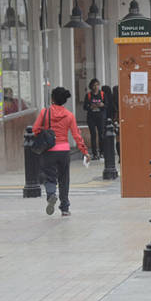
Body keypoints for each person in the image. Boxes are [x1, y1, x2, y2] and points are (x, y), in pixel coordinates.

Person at [33, 87, 90, 217]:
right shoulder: (69, 115)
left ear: (52, 99)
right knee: (64, 179)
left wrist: (44, 131)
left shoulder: (44, 113)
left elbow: (35, 129)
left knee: (50, 177)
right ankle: (65, 208)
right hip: (64, 151)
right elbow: (77, 136)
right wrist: (85, 151)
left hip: (49, 150)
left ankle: (51, 194)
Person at [82, 78, 106, 159]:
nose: (96, 87)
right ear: (91, 86)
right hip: (91, 117)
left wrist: (102, 105)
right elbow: (84, 107)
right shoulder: (88, 95)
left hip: (100, 116)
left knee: (101, 134)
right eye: (94, 85)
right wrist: (90, 106)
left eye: (97, 85)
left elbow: (107, 105)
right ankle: (95, 153)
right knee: (93, 135)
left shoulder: (102, 94)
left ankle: (102, 152)